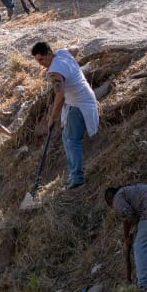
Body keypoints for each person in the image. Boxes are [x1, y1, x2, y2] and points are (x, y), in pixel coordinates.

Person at [30, 41, 99, 189]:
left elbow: (60, 96)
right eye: (37, 61)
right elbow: (76, 48)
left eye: (41, 59)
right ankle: (74, 175)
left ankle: (77, 178)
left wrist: (52, 118)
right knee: (67, 138)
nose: (40, 64)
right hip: (82, 98)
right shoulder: (62, 53)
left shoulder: (54, 72)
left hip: (78, 103)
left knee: (72, 141)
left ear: (49, 53)